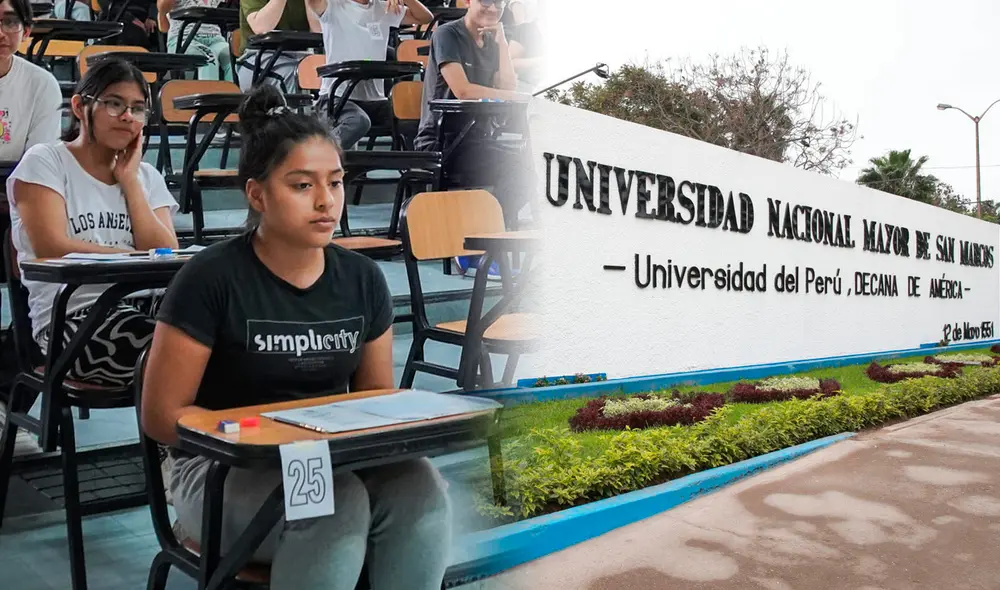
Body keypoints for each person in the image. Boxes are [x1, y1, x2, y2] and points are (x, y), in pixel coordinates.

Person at [140, 84, 452, 590]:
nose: (326, 201)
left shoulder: (363, 279)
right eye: (302, 185)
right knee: (334, 501)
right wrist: (267, 437)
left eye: (335, 182)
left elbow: (374, 402)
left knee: (420, 485)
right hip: (218, 470)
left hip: (329, 459)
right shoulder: (210, 278)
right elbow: (160, 417)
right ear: (257, 194)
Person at [6, 58, 179, 388]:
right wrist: (134, 259)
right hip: (73, 322)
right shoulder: (46, 162)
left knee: (225, 333)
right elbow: (52, 247)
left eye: (138, 108)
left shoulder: (146, 177)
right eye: (114, 103)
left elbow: (167, 252)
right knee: (183, 352)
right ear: (79, 105)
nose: (127, 116)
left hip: (147, 304)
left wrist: (129, 181)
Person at [414, 0, 533, 275]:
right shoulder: (447, 34)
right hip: (441, 140)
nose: (492, 9)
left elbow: (506, 86)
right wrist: (516, 97)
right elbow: (463, 91)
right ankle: (475, 247)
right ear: (468, 2)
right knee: (515, 169)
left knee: (528, 169)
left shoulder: (492, 39)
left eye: (499, 5)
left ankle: (484, 242)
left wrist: (502, 41)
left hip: (478, 140)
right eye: (486, 2)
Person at [306, 0, 432, 150]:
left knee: (411, 119)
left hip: (375, 100)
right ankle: (321, 156)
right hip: (336, 98)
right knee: (358, 121)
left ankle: (416, 170)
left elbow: (425, 18)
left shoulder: (383, 8)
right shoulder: (332, 5)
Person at [0, 0, 62, 166]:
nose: (0, 33)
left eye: (10, 22)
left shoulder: (43, 85)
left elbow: (39, 164)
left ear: (26, 31)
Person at [237, 0, 319, 92]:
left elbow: (319, 30)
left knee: (328, 75)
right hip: (259, 56)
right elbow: (261, 28)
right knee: (297, 77)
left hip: (302, 56)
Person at [158, 0, 234, 81]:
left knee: (232, 57)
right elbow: (163, 25)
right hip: (184, 39)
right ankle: (210, 92)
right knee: (208, 58)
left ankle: (233, 92)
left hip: (215, 38)